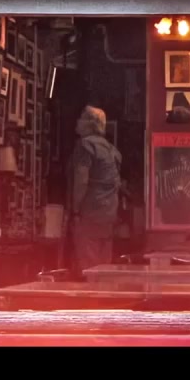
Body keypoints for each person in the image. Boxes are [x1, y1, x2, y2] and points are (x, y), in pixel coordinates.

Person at [69, 105, 122, 275]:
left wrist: (75, 210)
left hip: (89, 213)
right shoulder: (112, 150)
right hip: (109, 214)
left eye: (81, 118)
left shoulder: (85, 146)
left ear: (90, 123)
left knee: (88, 266)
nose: (78, 122)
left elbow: (81, 181)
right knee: (104, 267)